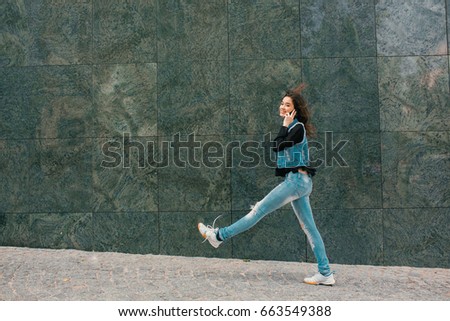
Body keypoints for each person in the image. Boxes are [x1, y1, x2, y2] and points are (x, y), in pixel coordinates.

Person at [198, 84, 335, 286]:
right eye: (282, 103)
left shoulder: (296, 128)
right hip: (301, 182)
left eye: (287, 105)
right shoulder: (295, 128)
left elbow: (277, 145)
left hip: (296, 182)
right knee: (309, 228)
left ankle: (218, 236)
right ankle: (325, 273)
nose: (282, 107)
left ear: (295, 109)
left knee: (258, 211)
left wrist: (284, 125)